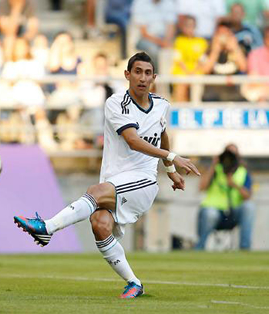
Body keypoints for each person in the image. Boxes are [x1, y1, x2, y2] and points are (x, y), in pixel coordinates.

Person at [14, 52, 200, 298]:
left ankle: (47, 228)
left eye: (147, 73)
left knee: (95, 193)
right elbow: (133, 141)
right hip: (116, 179)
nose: (142, 78)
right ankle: (134, 283)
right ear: (127, 75)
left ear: (153, 77)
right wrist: (171, 157)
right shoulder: (116, 103)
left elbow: (162, 133)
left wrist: (170, 170)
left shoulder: (162, 104)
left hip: (143, 180)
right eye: (137, 72)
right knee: (100, 225)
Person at [195, 144, 255, 250]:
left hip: (233, 212)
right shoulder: (215, 170)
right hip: (215, 211)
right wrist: (213, 165)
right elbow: (201, 187)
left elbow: (248, 196)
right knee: (209, 213)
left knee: (249, 207)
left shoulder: (243, 171)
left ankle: (245, 248)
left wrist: (234, 184)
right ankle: (200, 247)